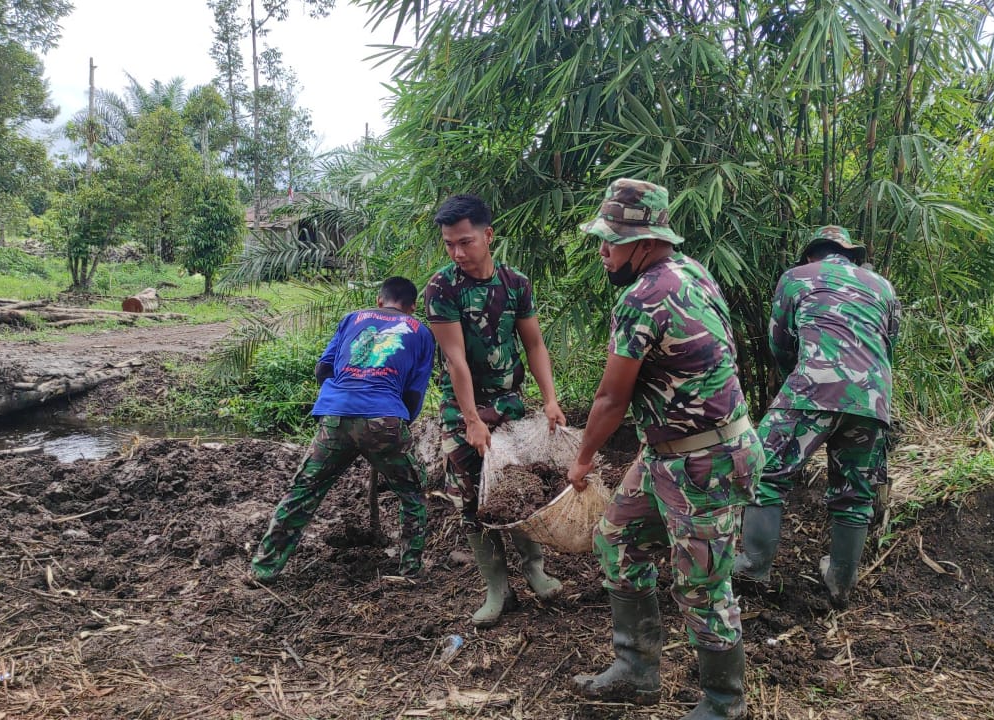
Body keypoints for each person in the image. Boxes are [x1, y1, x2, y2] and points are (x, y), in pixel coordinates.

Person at [567, 178, 763, 720]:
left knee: (702, 582)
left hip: (705, 459)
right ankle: (636, 671)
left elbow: (610, 398)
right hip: (668, 453)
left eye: (611, 240)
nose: (603, 251)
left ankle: (725, 704)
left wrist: (582, 460)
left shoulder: (643, 296)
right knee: (617, 538)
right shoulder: (695, 272)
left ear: (647, 241)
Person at [732, 225, 901, 610]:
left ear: (812, 255)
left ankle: (754, 566)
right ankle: (841, 580)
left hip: (812, 388)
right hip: (873, 399)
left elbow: (779, 341)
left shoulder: (795, 278)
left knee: (763, 471)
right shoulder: (883, 286)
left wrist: (800, 373)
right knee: (855, 492)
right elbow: (890, 342)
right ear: (852, 256)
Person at [424, 193, 567, 627]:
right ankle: (496, 589)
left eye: (465, 241)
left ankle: (535, 569)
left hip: (511, 407)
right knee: (473, 501)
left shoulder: (515, 283)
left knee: (520, 489)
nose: (457, 252)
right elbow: (456, 360)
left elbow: (534, 343)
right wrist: (470, 420)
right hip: (463, 410)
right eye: (449, 244)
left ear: (488, 235)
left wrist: (550, 398)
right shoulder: (442, 288)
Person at [249, 276, 436, 583]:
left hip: (335, 417)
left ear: (379, 300)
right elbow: (414, 394)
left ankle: (263, 568)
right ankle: (410, 571)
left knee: (303, 491)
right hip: (385, 421)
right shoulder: (422, 333)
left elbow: (323, 368)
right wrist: (398, 423)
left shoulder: (353, 318)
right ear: (412, 307)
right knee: (413, 493)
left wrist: (343, 400)